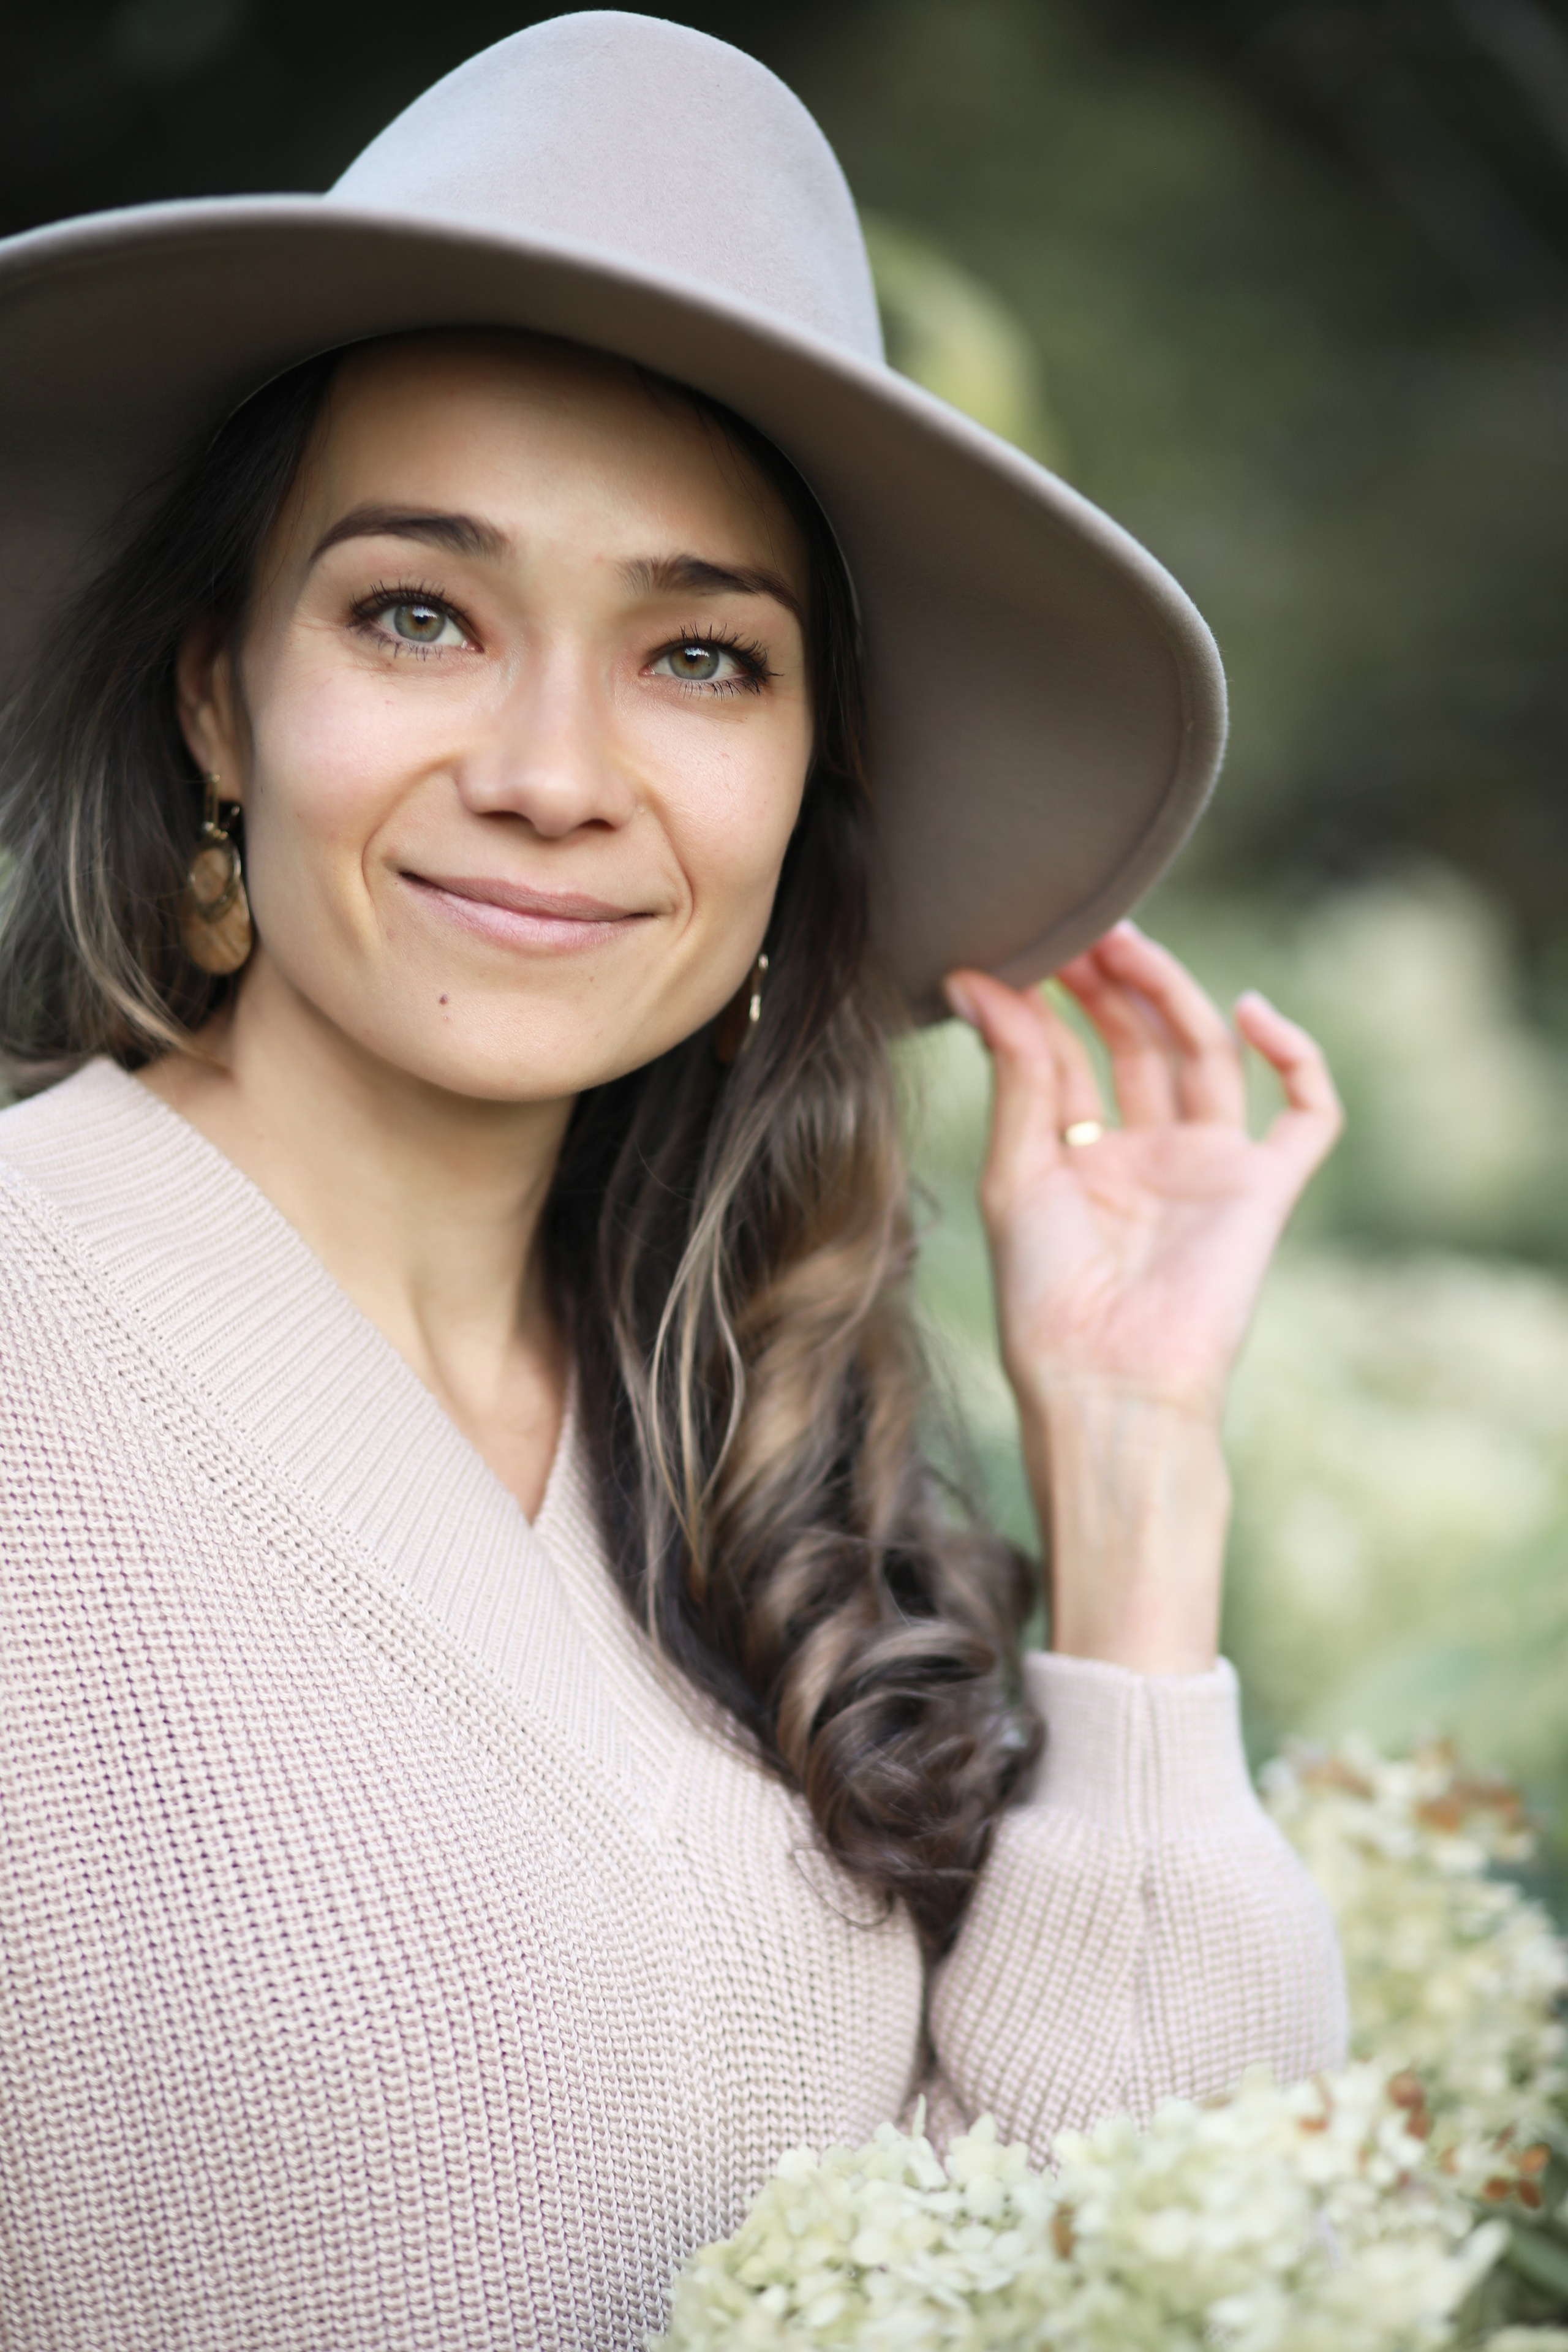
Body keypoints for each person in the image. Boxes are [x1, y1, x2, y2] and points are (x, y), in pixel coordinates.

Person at [0, 14, 1346, 2347]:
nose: (550, 771)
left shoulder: (743, 1462)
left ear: (801, 789)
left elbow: (1104, 2266)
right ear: (221, 694)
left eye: (700, 656)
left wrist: (1132, 1479)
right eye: (418, 611)